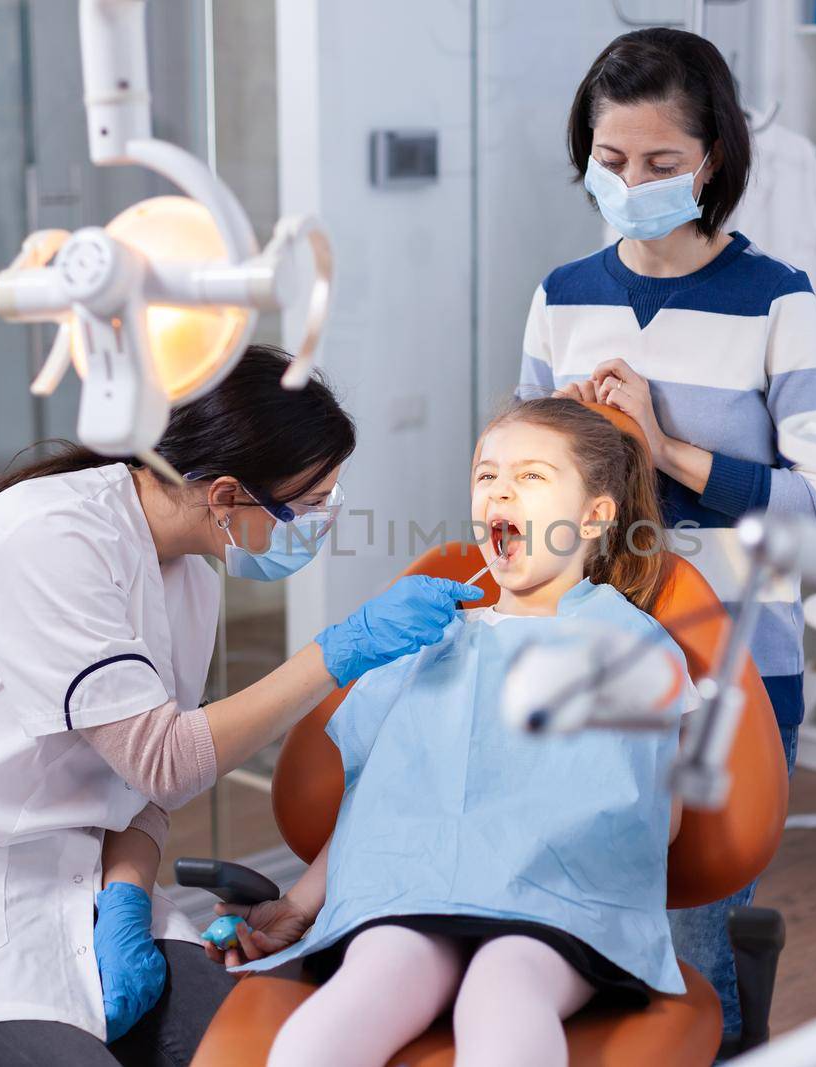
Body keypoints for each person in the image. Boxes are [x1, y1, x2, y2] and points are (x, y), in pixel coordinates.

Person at [0, 345, 484, 1066]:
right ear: (223, 497)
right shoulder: (50, 536)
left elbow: (136, 789)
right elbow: (167, 761)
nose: (320, 523)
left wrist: (124, 897)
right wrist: (339, 649)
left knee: (259, 1051)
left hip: (73, 883)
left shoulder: (192, 569)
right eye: (308, 506)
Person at [517, 27, 816, 1049]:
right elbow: (520, 506)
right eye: (611, 162)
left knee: (689, 939)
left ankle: (732, 1022)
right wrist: (583, 460)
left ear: (714, 160)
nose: (633, 183)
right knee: (586, 939)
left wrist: (664, 447)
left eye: (661, 164)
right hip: (591, 656)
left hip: (735, 665)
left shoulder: (775, 300)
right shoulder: (560, 296)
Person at [211, 399, 696, 1067]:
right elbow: (378, 798)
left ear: (594, 514)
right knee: (357, 995)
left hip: (551, 912)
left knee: (501, 996)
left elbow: (656, 818)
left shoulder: (626, 645)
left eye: (530, 477)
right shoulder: (430, 636)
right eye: (486, 475)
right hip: (413, 896)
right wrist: (296, 904)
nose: (499, 489)